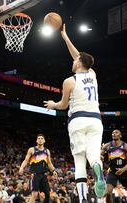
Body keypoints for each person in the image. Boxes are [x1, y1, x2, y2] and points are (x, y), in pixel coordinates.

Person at [44, 24, 106, 202]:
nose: (72, 61)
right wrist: (65, 38)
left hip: (78, 120)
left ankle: (82, 198)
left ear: (78, 62)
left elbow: (63, 105)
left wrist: (53, 104)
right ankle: (97, 169)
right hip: (95, 120)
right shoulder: (92, 74)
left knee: (79, 159)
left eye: (75, 60)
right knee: (93, 156)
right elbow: (78, 56)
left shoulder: (69, 81)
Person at [18, 134, 57, 203]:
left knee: (47, 194)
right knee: (35, 194)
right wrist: (21, 167)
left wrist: (54, 171)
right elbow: (26, 160)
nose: (40, 139)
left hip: (43, 175)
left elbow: (49, 163)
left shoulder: (47, 151)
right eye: (38, 138)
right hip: (35, 175)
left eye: (42, 138)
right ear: (36, 140)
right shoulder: (32, 149)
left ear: (44, 141)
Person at [101, 129, 127, 203]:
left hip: (123, 172)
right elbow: (101, 153)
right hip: (112, 172)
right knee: (108, 193)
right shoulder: (107, 145)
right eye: (113, 133)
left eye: (116, 132)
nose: (114, 134)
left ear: (120, 135)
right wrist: (101, 156)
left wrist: (122, 170)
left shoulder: (125, 146)